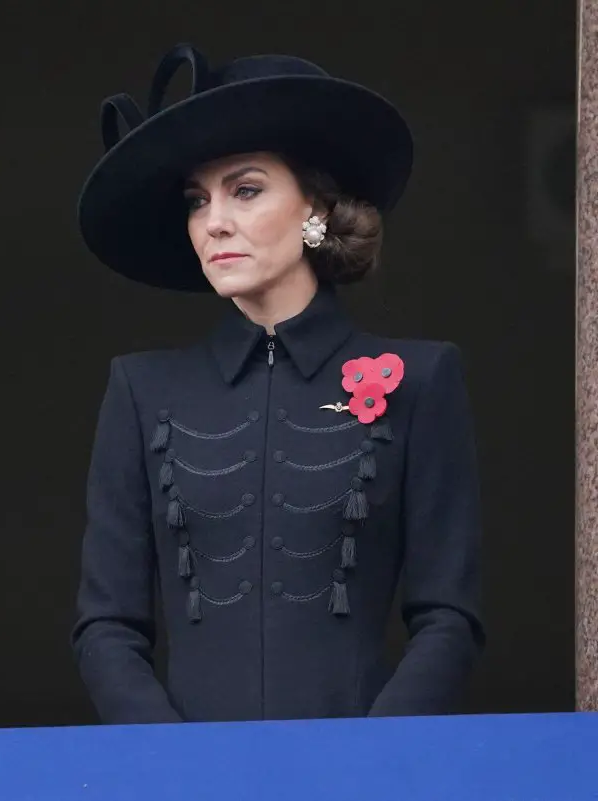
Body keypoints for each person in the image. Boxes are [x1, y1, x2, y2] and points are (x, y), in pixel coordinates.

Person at [70, 44, 484, 724]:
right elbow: (106, 625)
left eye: (247, 189)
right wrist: (177, 766)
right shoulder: (141, 390)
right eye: (197, 200)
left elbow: (449, 614)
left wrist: (369, 761)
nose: (214, 221)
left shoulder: (422, 378)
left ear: (315, 209)